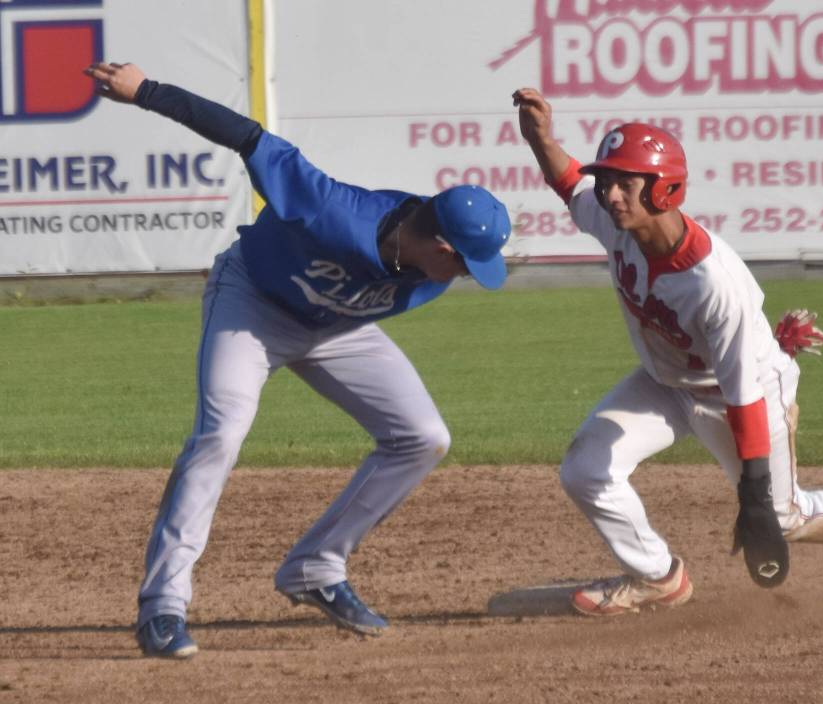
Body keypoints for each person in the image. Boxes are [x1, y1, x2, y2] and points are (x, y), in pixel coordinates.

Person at [85, 61, 512, 659]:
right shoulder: (332, 210)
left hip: (337, 326)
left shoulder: (431, 268)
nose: (468, 276)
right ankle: (163, 604)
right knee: (221, 434)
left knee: (422, 436)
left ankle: (316, 566)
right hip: (253, 304)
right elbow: (247, 135)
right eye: (467, 262)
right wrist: (146, 92)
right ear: (441, 246)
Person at [513, 87, 823, 616]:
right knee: (586, 470)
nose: (610, 194)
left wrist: (752, 495)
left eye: (625, 183)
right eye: (607, 181)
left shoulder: (713, 284)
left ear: (665, 189)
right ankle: (656, 577)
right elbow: (568, 183)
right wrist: (540, 138)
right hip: (666, 382)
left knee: (784, 516)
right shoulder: (620, 228)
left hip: (739, 397)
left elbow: (744, 394)